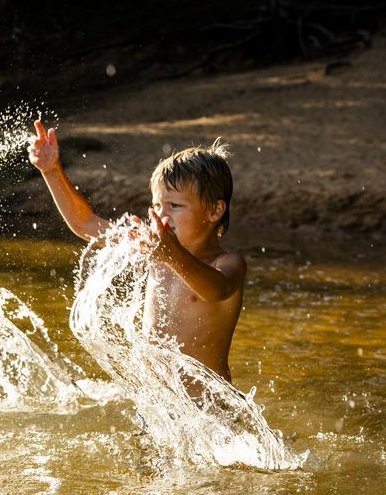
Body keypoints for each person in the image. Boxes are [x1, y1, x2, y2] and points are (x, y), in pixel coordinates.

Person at [27, 119, 246, 382]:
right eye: (157, 206)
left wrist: (173, 256)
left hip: (207, 404)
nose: (162, 216)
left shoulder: (227, 263)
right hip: (156, 401)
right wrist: (51, 171)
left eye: (175, 206)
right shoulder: (151, 248)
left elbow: (216, 290)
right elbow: (85, 224)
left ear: (215, 211)